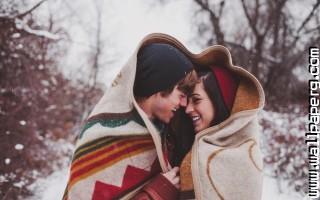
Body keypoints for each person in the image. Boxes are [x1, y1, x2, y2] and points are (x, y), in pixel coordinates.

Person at [62, 35, 197, 200]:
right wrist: (155, 195)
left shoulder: (163, 134)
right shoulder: (103, 135)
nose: (184, 103)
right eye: (181, 94)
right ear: (160, 85)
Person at [179, 65, 265, 200]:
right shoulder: (187, 144)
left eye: (196, 100)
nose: (188, 109)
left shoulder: (246, 155)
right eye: (188, 101)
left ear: (218, 100)